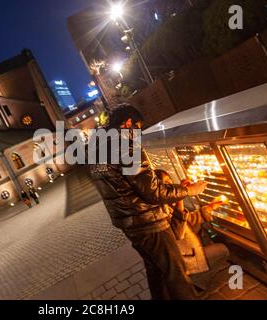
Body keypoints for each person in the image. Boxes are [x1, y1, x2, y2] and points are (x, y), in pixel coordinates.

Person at [88, 104, 209, 300]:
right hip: (148, 222)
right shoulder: (124, 145)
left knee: (156, 270)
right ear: (128, 123)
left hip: (130, 223)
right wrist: (189, 190)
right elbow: (152, 192)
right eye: (138, 127)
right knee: (176, 274)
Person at [155, 170, 230, 293]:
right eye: (165, 184)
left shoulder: (167, 204)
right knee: (223, 250)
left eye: (170, 181)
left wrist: (211, 207)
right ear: (160, 189)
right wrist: (180, 197)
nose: (170, 185)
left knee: (209, 243)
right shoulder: (161, 210)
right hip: (184, 259)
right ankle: (195, 282)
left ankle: (195, 278)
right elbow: (178, 233)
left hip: (188, 252)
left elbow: (190, 220)